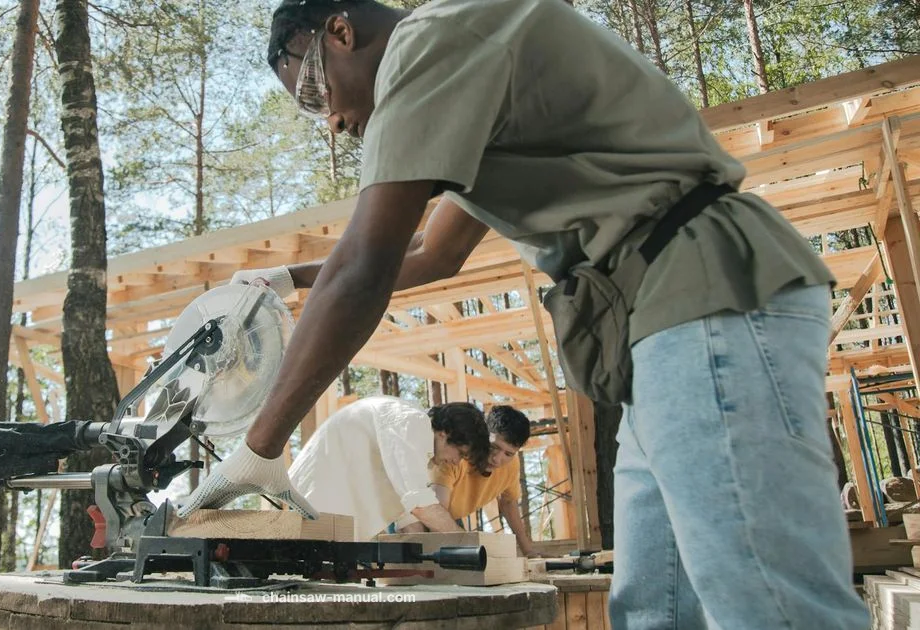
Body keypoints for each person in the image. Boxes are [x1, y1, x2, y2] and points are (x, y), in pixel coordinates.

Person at [180, 0, 869, 627]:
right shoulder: (470, 94)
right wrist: (286, 278)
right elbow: (431, 253)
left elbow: (367, 267)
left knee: (767, 604)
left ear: (341, 31)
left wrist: (259, 448)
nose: (329, 118)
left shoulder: (432, 42)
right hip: (662, 331)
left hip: (705, 293)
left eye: (313, 90)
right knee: (657, 608)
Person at [286, 397, 489, 540]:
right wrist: (466, 541)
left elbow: (407, 512)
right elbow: (419, 504)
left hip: (329, 512)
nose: (456, 462)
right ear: (445, 433)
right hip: (315, 500)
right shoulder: (412, 423)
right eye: (460, 454)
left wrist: (419, 547)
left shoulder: (415, 446)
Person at [431, 405, 538, 557]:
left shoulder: (511, 465)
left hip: (452, 519)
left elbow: (508, 502)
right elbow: (436, 512)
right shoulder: (454, 457)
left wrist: (528, 551)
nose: (497, 459)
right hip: (420, 513)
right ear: (481, 435)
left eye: (508, 453)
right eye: (493, 447)